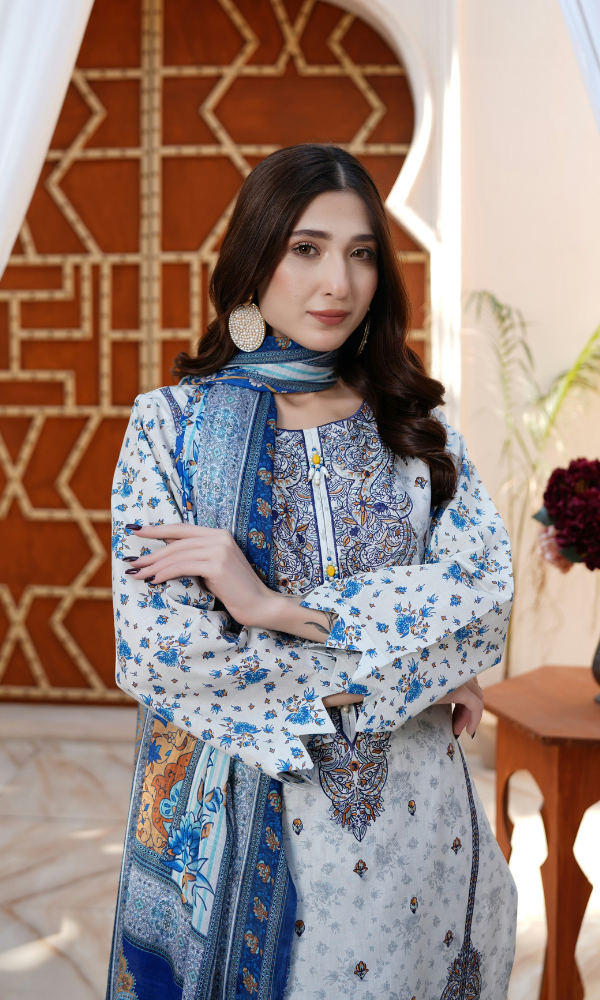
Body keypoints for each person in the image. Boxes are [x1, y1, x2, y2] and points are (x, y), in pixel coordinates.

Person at [106, 144, 516, 1000]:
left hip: (424, 837)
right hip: (266, 847)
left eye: (361, 253)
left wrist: (271, 608)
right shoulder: (171, 429)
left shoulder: (413, 423)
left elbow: (480, 597)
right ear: (254, 259)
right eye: (306, 248)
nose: (338, 282)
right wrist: (416, 661)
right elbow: (161, 652)